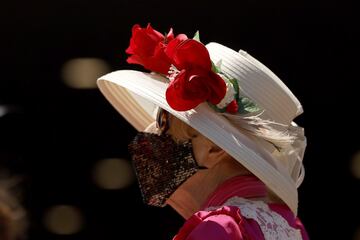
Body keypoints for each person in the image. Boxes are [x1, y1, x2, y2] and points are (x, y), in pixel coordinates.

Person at [97, 23, 309, 239]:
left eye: (164, 124)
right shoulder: (289, 226)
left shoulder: (219, 228)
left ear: (214, 148)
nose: (150, 132)